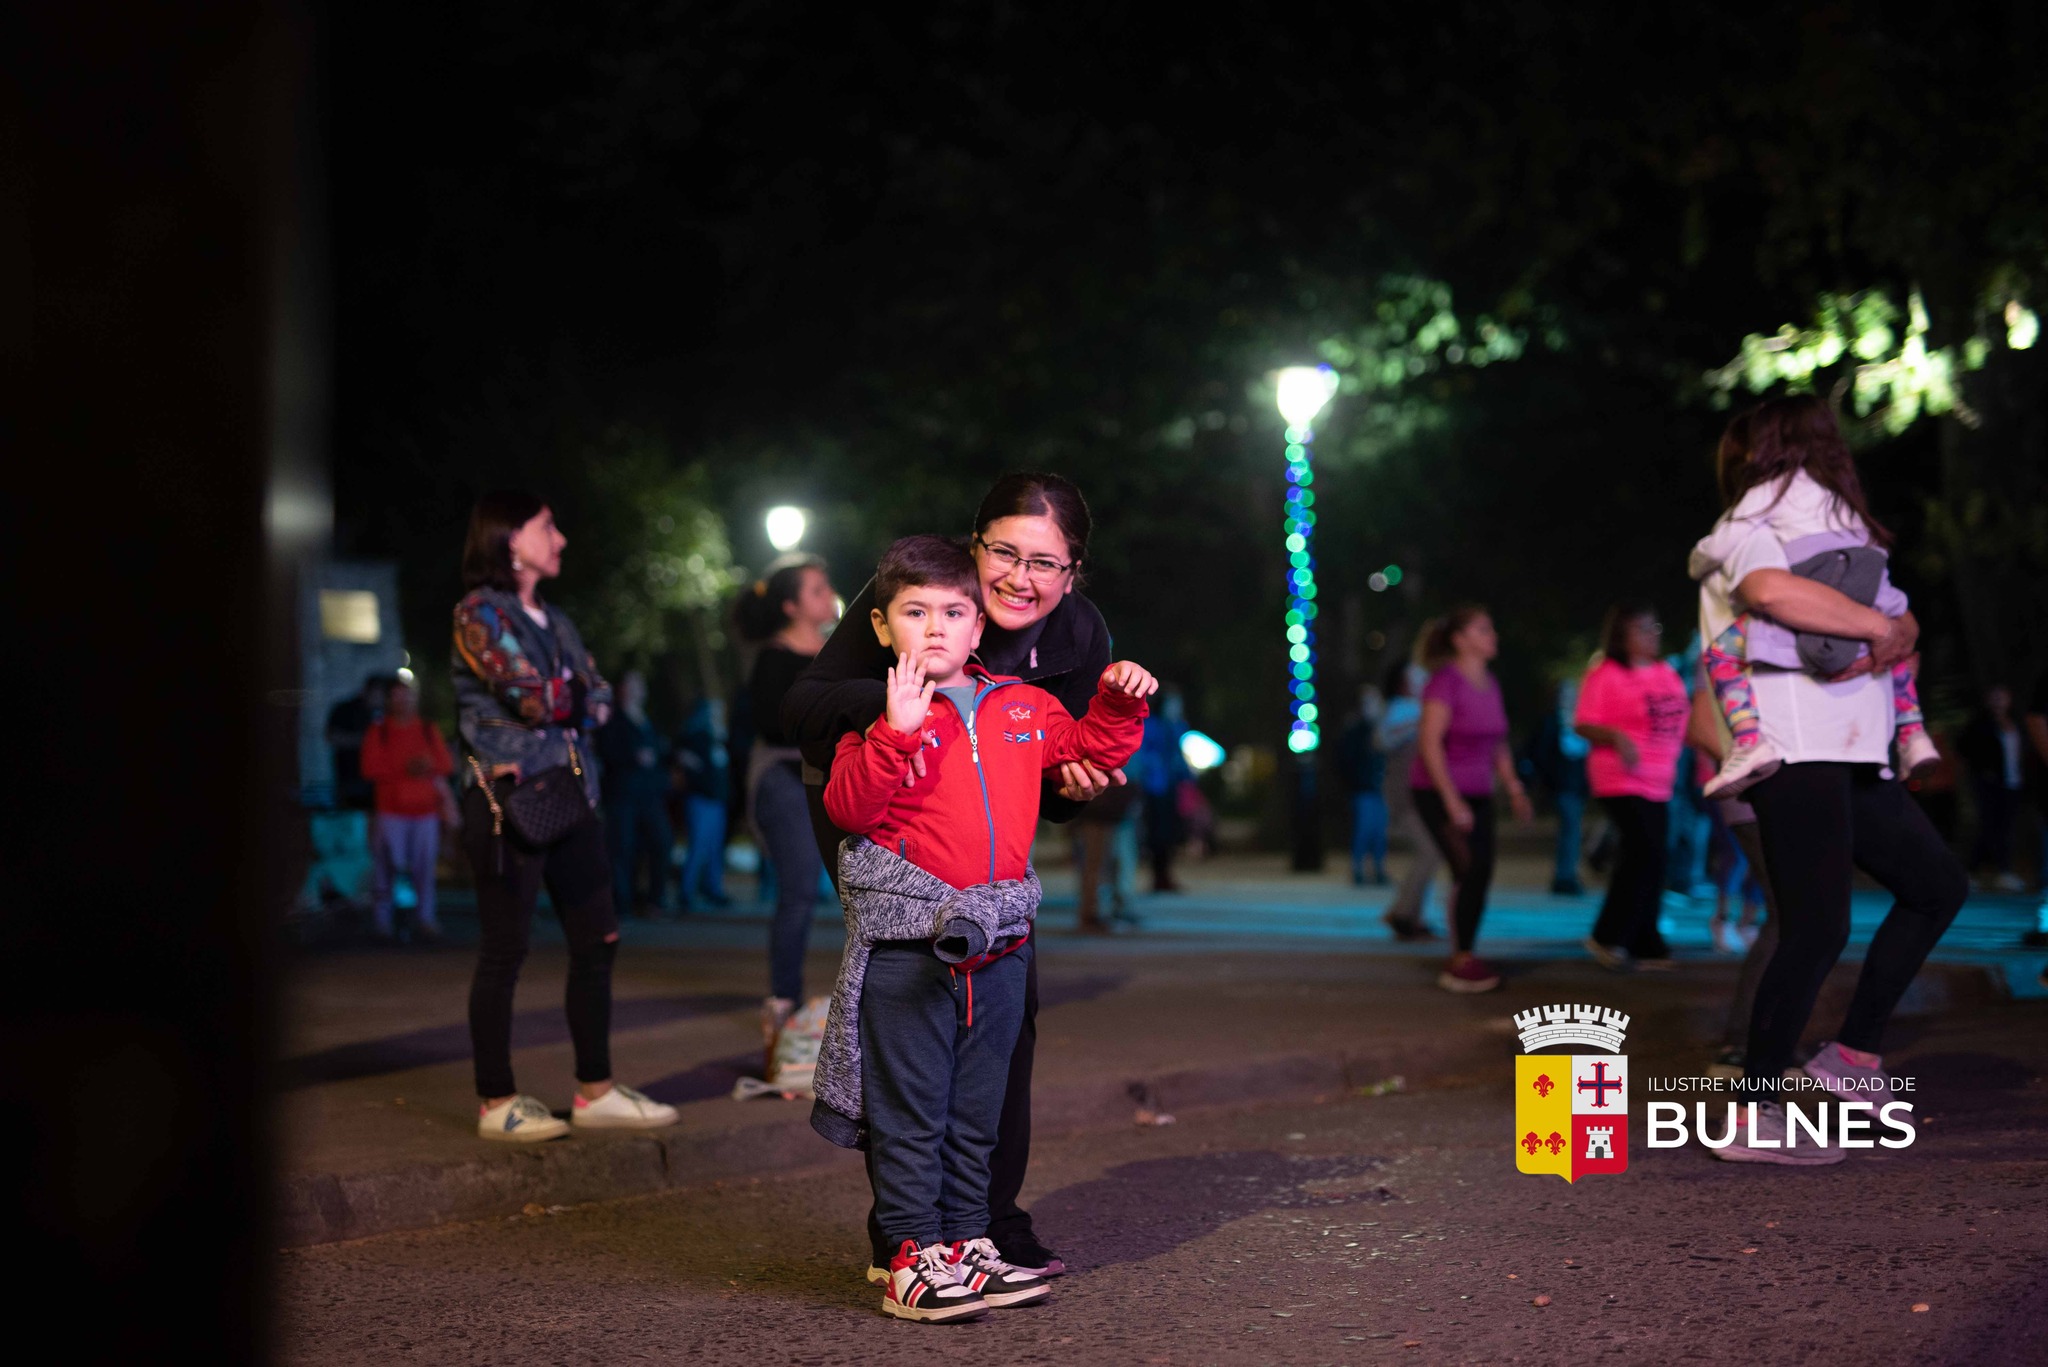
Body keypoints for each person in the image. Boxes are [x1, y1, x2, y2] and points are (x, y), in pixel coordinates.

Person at [810, 534, 1153, 1322]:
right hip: (910, 948)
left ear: (978, 625)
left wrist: (1118, 700)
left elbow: (1091, 746)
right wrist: (895, 730)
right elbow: (848, 809)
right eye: (915, 612)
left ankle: (967, 1241)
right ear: (881, 626)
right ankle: (909, 1256)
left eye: (953, 611)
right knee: (911, 1114)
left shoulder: (1023, 705)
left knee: (977, 1109)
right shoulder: (873, 715)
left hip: (1000, 941)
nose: (936, 626)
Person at [1689, 397, 1967, 1164]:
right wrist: (1880, 627)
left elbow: (1895, 612)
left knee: (1936, 886)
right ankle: (1753, 1111)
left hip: (1853, 748)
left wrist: (1896, 627)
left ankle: (1851, 1057)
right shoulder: (1755, 516)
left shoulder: (1832, 519)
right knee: (1816, 927)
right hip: (1793, 745)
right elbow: (1769, 591)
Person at [451, 490, 679, 1143]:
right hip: (509, 800)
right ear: (510, 537)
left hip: (573, 797)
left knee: (598, 939)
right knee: (505, 950)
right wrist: (575, 696)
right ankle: (496, 1100)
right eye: (548, 527)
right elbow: (533, 698)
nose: (561, 539)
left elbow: (596, 698)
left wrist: (575, 697)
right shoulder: (478, 613)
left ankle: (595, 1090)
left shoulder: (556, 619)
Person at [1689, 409, 1937, 799]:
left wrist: (1698, 559)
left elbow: (1766, 589)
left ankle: (1749, 741)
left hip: (1817, 737)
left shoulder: (1770, 493)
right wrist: (1889, 624)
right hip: (1866, 583)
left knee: (1722, 655)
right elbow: (1890, 593)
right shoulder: (1843, 499)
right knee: (1899, 646)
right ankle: (1913, 733)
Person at [735, 554, 840, 1054]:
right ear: (791, 606)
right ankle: (784, 1008)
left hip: (836, 775)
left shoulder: (840, 653)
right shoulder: (775, 660)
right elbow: (772, 725)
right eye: (816, 590)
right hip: (785, 777)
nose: (828, 595)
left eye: (826, 586)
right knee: (798, 891)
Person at [1409, 605, 1533, 992]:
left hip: (1479, 793)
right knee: (1469, 870)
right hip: (1436, 791)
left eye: (1491, 629)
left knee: (1481, 872)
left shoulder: (1489, 683)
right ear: (1460, 640)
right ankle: (1460, 961)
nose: (1492, 636)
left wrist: (1514, 788)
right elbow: (1429, 743)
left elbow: (1498, 742)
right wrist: (1451, 801)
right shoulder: (1445, 682)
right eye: (1483, 630)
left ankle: (1465, 951)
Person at [1574, 602, 1688, 970]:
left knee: (1655, 857)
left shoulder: (1665, 672)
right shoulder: (1606, 674)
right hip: (1621, 776)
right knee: (1642, 852)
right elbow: (1583, 722)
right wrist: (1615, 736)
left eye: (1654, 627)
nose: (1652, 635)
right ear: (1622, 635)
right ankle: (1610, 935)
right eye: (1643, 628)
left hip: (1660, 778)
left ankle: (1644, 940)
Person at [1687, 674, 1780, 1078]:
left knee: (1794, 917)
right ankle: (1744, 1046)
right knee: (1790, 916)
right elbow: (1700, 725)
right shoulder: (1724, 647)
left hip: (1781, 795)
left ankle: (1757, 1042)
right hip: (1756, 796)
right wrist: (1749, 768)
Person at [358, 678, 453, 942]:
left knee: (424, 868)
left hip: (425, 812)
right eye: (397, 696)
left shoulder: (427, 729)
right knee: (386, 867)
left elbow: (445, 764)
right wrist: (406, 769)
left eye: (407, 695)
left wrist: (425, 765)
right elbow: (369, 768)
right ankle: (383, 922)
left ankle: (425, 918)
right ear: (389, 701)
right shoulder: (379, 731)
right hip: (391, 811)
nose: (403, 701)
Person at [597, 670, 675, 918]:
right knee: (622, 847)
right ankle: (622, 902)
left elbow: (661, 750)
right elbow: (606, 749)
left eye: (639, 685)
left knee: (661, 841)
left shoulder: (647, 721)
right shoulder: (613, 719)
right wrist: (632, 756)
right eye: (631, 685)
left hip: (649, 793)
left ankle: (654, 899)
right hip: (622, 793)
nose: (636, 690)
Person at [1380, 657, 1443, 939]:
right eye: (1415, 677)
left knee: (1430, 853)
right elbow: (1383, 739)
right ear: (1403, 683)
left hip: (1417, 797)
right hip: (1407, 799)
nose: (1422, 681)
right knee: (1430, 851)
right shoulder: (1402, 711)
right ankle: (1403, 914)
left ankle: (1411, 915)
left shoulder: (1415, 710)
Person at [1524, 676, 1590, 895]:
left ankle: (1567, 873)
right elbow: (1541, 752)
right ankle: (1565, 876)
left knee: (1572, 830)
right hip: (1563, 786)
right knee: (1571, 829)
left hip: (1579, 786)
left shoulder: (1583, 721)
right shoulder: (1552, 722)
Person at [1960, 684, 2026, 892]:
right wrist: (1983, 770)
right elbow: (1965, 748)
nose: (1999, 702)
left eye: (2002, 697)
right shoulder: (1980, 724)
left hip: (2013, 782)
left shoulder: (2016, 723)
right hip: (1989, 783)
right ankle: (1976, 872)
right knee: (1988, 826)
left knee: (2006, 827)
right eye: (1995, 697)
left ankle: (2001, 872)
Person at [675, 700, 733, 909]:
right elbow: (681, 754)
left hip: (717, 800)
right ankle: (687, 891)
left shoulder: (719, 740)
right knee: (698, 846)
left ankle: (712, 889)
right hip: (701, 799)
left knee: (714, 848)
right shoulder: (697, 737)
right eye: (714, 712)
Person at [1136, 689, 1192, 893]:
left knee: (1170, 832)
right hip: (1155, 787)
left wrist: (1187, 778)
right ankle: (1159, 876)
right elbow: (1144, 755)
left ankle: (1165, 874)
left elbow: (1179, 758)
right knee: (1157, 832)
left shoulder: (1176, 727)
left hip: (1171, 786)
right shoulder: (1150, 725)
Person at [1337, 688, 1390, 885]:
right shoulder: (1356, 731)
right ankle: (1358, 868)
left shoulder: (1382, 728)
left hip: (1379, 788)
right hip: (1363, 789)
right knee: (1364, 829)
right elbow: (1346, 759)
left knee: (1379, 831)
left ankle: (1378, 868)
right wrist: (1355, 781)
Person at [325, 673, 390, 811]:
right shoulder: (345, 710)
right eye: (377, 693)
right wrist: (364, 742)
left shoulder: (385, 714)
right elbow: (332, 737)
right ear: (367, 691)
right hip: (350, 777)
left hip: (378, 782)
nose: (380, 698)